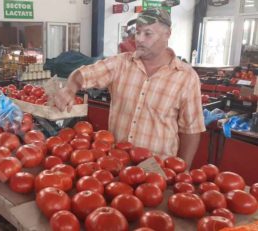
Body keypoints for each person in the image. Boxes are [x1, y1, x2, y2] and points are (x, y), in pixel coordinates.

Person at [53, 9, 206, 167]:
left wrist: (183, 170)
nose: (139, 39)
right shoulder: (119, 64)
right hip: (116, 165)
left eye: (147, 33)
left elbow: (191, 130)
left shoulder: (186, 77)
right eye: (137, 32)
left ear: (167, 34)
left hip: (157, 172)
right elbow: (82, 74)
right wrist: (70, 88)